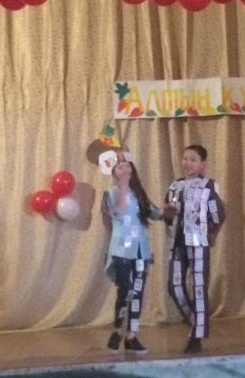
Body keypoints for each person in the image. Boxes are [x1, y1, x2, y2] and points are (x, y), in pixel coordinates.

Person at [163, 144, 226, 354]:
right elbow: (167, 216)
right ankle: (196, 320)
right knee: (174, 285)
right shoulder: (175, 186)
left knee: (198, 286)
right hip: (177, 243)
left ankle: (196, 336)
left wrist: (212, 235)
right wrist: (167, 215)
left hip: (198, 241)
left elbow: (218, 215)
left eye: (193, 159)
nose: (187, 163)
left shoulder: (209, 186)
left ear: (202, 164)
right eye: (185, 159)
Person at [101, 151, 162, 354]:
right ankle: (118, 328)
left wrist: (169, 210)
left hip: (140, 250)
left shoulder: (139, 194)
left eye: (128, 166)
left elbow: (155, 212)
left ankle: (131, 336)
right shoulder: (111, 194)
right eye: (120, 167)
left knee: (138, 291)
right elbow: (120, 210)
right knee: (125, 290)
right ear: (113, 173)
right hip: (122, 250)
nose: (125, 169)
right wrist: (124, 186)